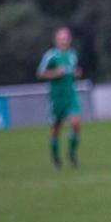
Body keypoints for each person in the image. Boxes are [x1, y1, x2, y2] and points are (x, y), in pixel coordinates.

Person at [36, 26, 83, 168]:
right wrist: (55, 73)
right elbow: (40, 73)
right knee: (56, 129)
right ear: (56, 40)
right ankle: (56, 158)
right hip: (56, 98)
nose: (64, 41)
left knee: (75, 123)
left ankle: (71, 152)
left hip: (71, 96)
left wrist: (76, 74)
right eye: (61, 38)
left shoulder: (73, 54)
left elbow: (73, 72)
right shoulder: (51, 56)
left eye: (66, 38)